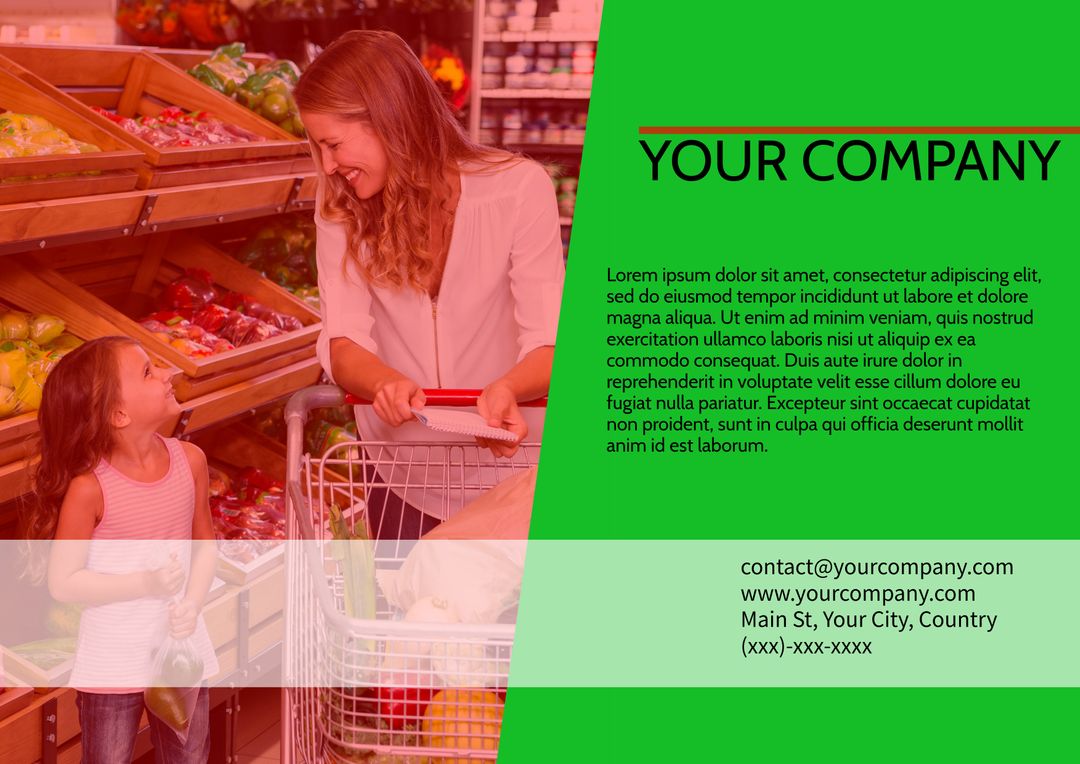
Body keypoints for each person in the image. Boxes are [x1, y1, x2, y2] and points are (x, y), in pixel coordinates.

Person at [294, 31, 565, 536]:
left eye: (333, 143)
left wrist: (507, 388)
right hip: (403, 474)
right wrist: (383, 383)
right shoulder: (340, 208)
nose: (328, 165)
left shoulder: (517, 189)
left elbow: (550, 338)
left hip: (515, 475)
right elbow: (343, 336)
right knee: (401, 608)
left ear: (388, 119)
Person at [26, 336, 219, 764]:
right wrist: (144, 583)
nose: (168, 374)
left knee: (190, 757)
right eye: (149, 372)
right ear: (118, 414)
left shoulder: (191, 462)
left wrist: (193, 602)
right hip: (111, 658)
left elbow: (205, 546)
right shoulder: (89, 489)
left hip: (179, 651)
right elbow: (65, 582)